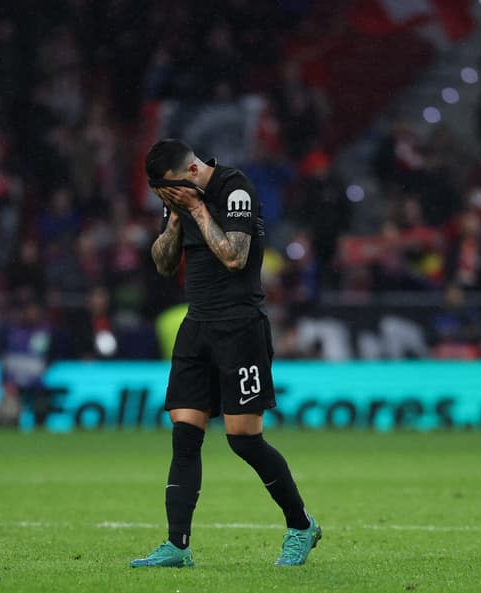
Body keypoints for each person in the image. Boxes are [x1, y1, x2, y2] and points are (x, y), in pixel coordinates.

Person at [130, 139, 320, 570]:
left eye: (171, 190)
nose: (169, 197)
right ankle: (177, 546)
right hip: (196, 326)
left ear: (191, 172)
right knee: (184, 434)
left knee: (243, 439)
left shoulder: (236, 191)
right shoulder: (178, 199)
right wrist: (176, 218)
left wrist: (197, 210)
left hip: (240, 328)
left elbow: (235, 257)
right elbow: (162, 263)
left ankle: (301, 525)